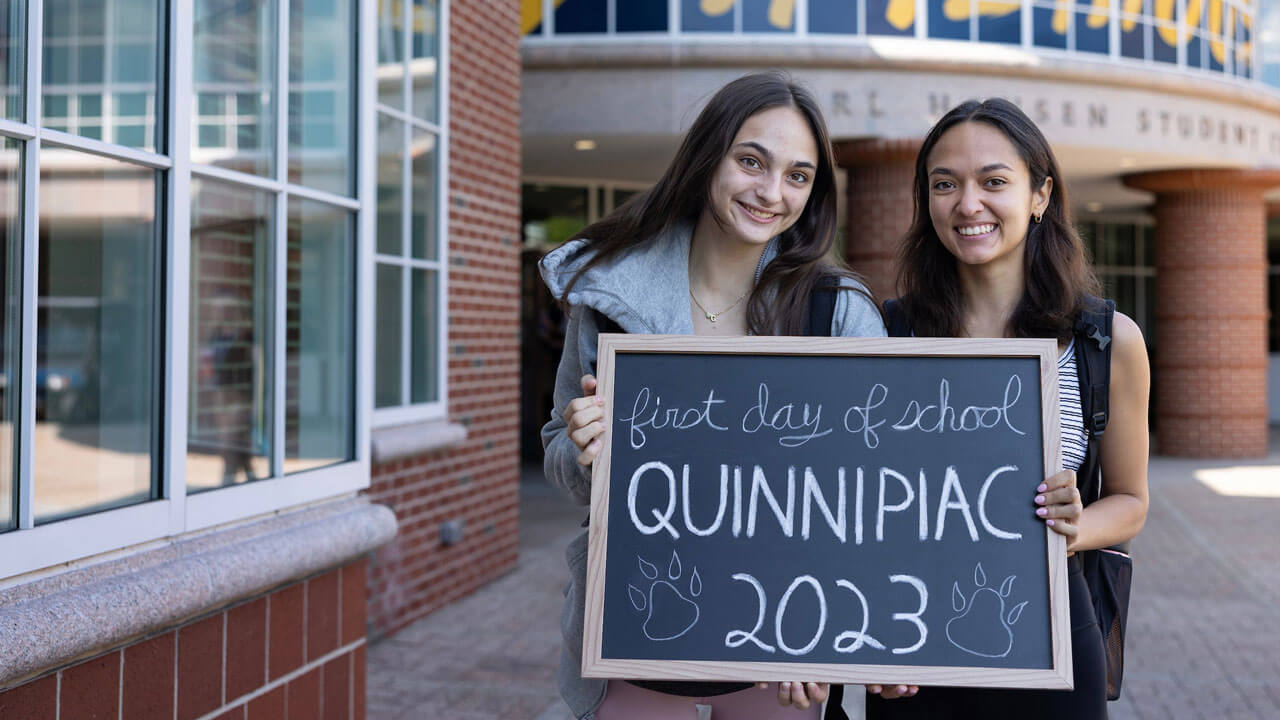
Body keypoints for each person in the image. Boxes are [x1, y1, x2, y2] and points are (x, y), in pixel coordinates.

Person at [539, 71, 887, 719]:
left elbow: (871, 500)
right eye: (751, 161)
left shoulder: (835, 313)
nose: (771, 192)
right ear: (707, 159)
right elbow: (560, 453)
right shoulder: (612, 296)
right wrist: (584, 449)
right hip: (643, 621)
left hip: (786, 641)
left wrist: (837, 637)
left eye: (797, 175)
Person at [864, 98, 1150, 718]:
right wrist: (864, 644)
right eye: (945, 184)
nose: (968, 204)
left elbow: (1130, 502)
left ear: (1040, 194)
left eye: (994, 181)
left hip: (1054, 632)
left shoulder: (1107, 341)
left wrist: (1077, 527)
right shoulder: (887, 335)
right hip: (911, 634)